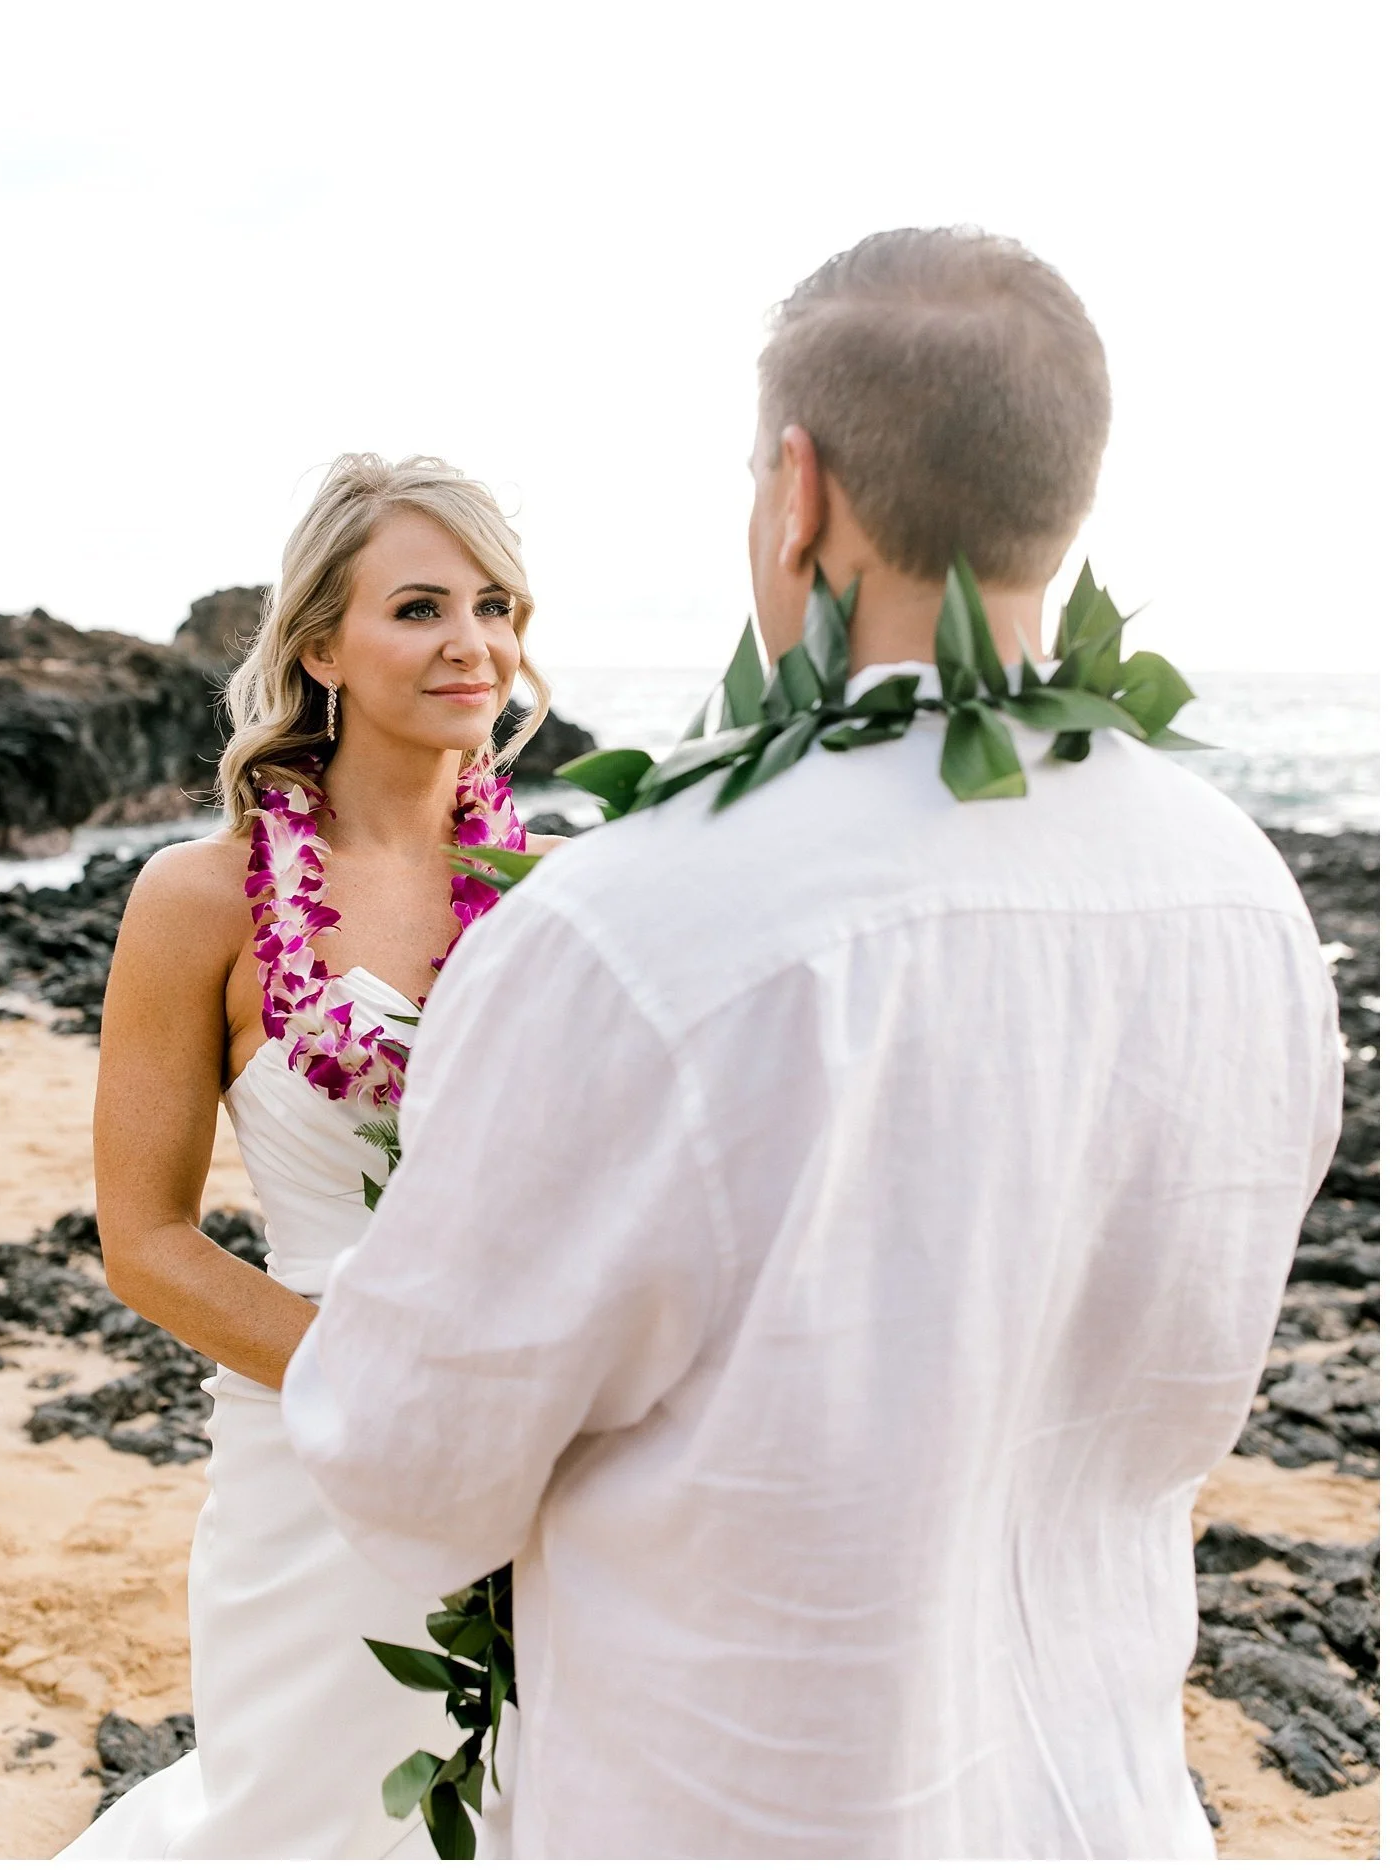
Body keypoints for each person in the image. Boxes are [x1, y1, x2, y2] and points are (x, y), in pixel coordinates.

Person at [282, 232, 1343, 1858]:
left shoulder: (625, 928)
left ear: (798, 490)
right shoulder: (1247, 902)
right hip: (1106, 1814)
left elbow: (412, 1468)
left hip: (743, 1815)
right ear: (1060, 501)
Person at [58, 453, 561, 1859]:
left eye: (493, 602)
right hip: (309, 1444)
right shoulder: (198, 898)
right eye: (418, 606)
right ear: (322, 646)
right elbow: (143, 1236)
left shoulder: (555, 888)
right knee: (312, 1811)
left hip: (529, 1438)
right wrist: (364, 1377)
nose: (471, 642)